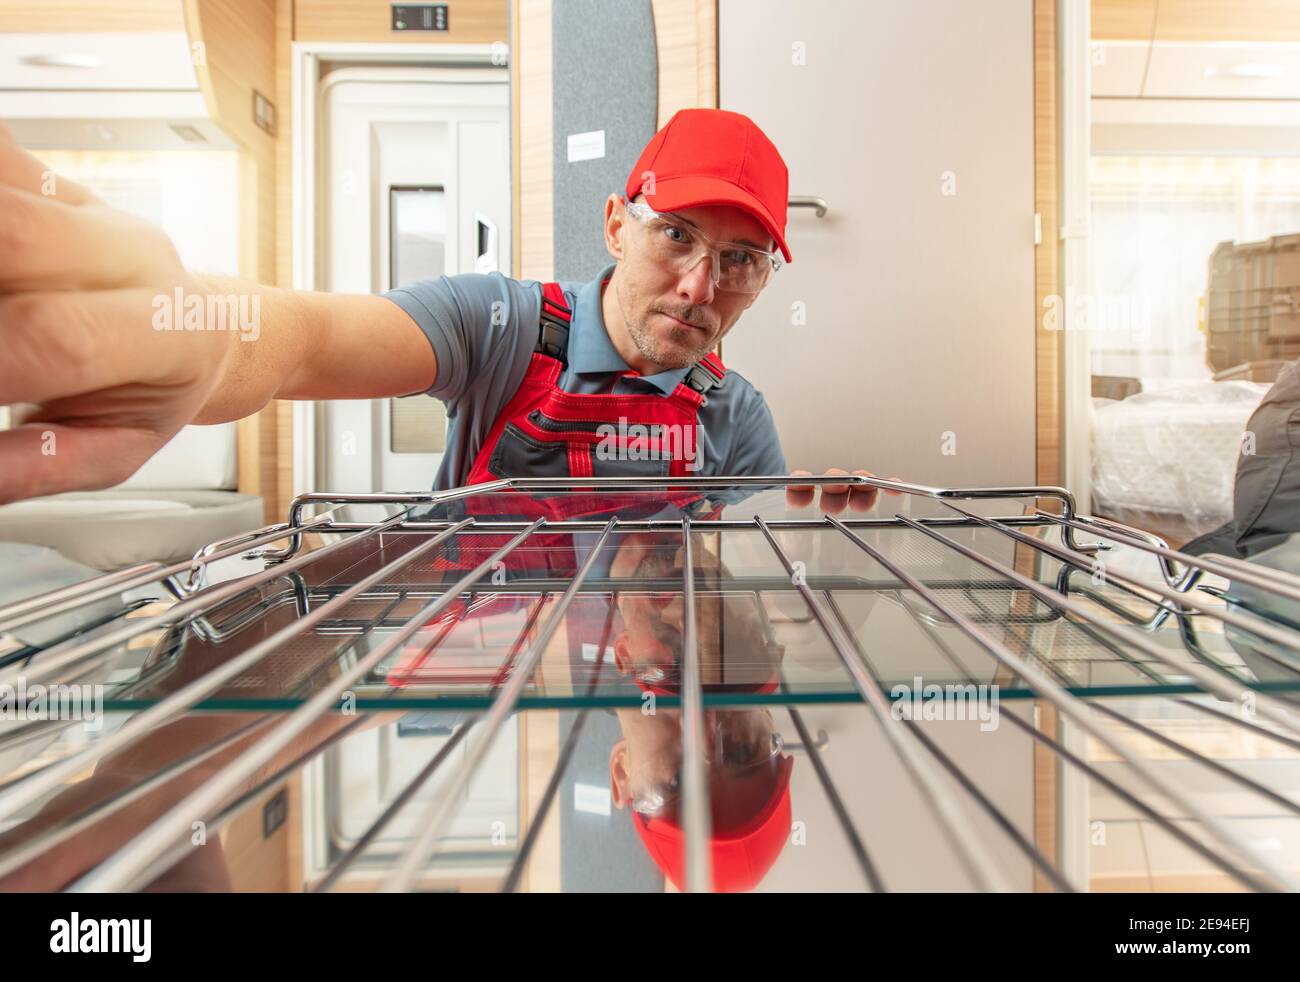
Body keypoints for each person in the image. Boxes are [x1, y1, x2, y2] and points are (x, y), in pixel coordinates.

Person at [0, 107, 883, 509]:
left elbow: (743, 604)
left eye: (741, 262)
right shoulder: (498, 326)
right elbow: (303, 339)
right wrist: (192, 340)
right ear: (617, 225)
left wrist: (802, 564)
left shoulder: (737, 419)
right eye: (676, 236)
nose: (700, 288)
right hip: (478, 671)